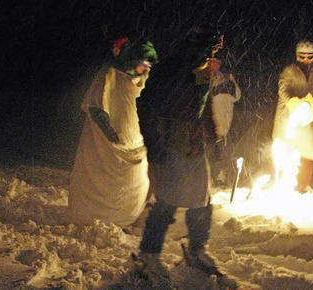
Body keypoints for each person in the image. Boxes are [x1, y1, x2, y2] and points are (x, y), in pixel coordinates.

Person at [134, 26, 238, 288]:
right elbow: (145, 105)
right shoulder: (170, 70)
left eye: (215, 50)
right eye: (211, 49)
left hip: (193, 143)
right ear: (197, 45)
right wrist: (154, 142)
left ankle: (196, 249)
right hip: (168, 142)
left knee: (202, 200)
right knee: (166, 202)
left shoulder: (202, 69)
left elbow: (203, 108)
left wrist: (214, 142)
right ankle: (148, 254)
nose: (213, 54)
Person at [66, 38, 158, 227]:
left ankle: (127, 216)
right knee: (102, 178)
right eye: (143, 63)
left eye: (148, 64)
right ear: (132, 60)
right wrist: (107, 128)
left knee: (134, 180)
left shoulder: (144, 78)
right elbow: (95, 104)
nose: (146, 68)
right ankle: (95, 218)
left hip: (134, 139)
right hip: (106, 143)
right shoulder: (110, 74)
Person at [272, 39, 313, 193]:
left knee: (307, 152)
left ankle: (302, 186)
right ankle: (282, 186)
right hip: (288, 117)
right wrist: (295, 103)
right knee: (286, 152)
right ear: (297, 56)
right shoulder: (289, 71)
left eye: (310, 57)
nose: (306, 60)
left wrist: (312, 103)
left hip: (308, 118)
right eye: (302, 56)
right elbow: (283, 90)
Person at [202, 58, 241, 186]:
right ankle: (208, 178)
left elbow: (236, 96)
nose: (213, 65)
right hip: (209, 124)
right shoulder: (203, 78)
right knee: (209, 151)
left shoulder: (227, 79)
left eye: (216, 62)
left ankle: (222, 176)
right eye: (211, 62)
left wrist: (228, 81)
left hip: (224, 123)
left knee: (223, 150)